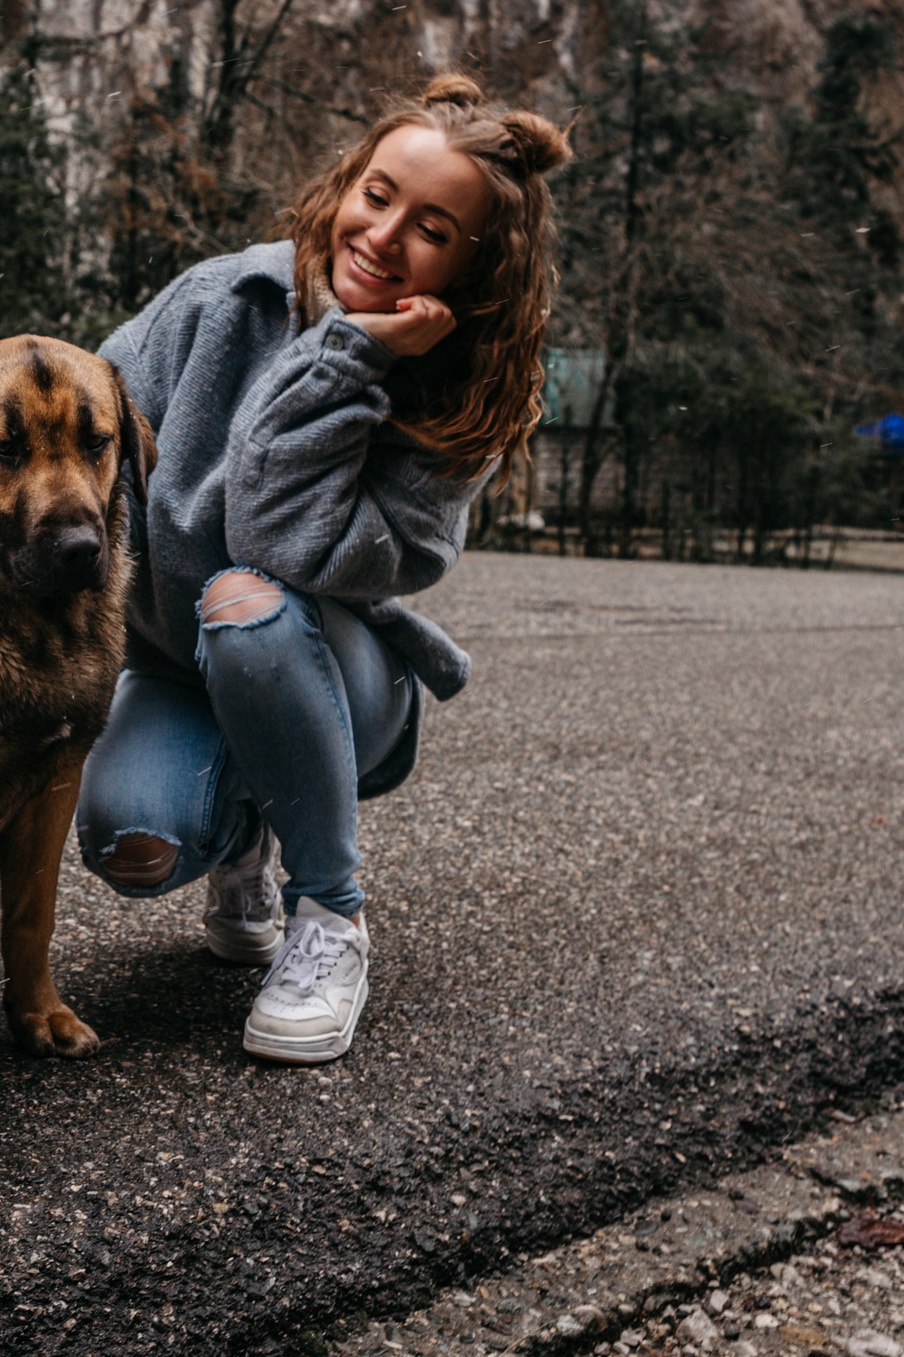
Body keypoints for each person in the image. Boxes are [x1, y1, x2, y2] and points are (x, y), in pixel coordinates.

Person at [75, 73, 568, 1065]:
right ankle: (245, 835)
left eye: (430, 228)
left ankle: (329, 920)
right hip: (178, 666)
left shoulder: (457, 395)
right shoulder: (219, 301)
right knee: (132, 846)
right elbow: (81, 441)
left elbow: (274, 542)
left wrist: (342, 358)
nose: (384, 236)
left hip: (339, 681)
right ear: (345, 185)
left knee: (246, 599)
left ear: (471, 266)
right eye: (377, 195)